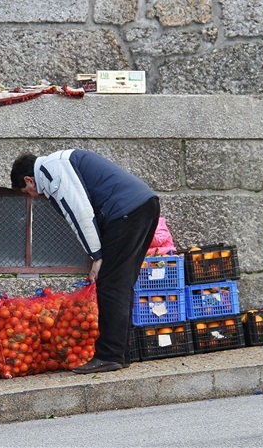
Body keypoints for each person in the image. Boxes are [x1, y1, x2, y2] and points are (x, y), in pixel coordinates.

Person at [10, 150, 160, 374]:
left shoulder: (52, 170)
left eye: (26, 191)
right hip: (144, 206)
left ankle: (108, 356)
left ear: (28, 180)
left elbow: (79, 213)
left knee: (110, 286)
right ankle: (120, 353)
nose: (31, 196)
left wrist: (97, 256)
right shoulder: (59, 162)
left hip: (125, 212)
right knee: (121, 283)